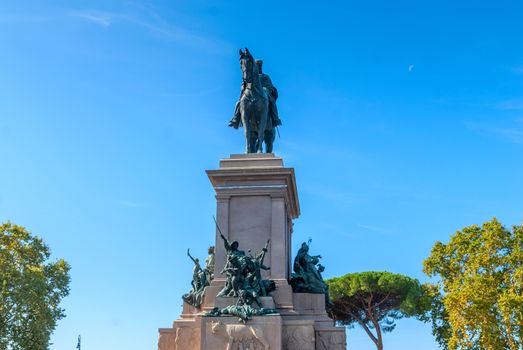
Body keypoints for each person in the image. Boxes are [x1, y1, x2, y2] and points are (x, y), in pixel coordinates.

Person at [229, 59, 282, 129]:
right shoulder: (250, 77)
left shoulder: (265, 77)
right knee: (239, 103)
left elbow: (270, 87)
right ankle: (235, 119)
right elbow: (244, 84)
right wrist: (245, 86)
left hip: (263, 95)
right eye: (257, 66)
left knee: (272, 101)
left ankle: (275, 119)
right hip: (251, 95)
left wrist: (266, 89)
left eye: (260, 66)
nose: (259, 68)